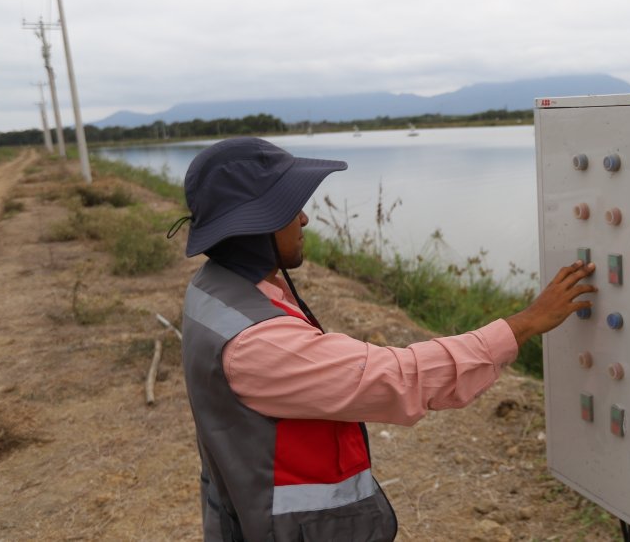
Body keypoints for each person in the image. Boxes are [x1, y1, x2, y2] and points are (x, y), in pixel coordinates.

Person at [174, 137, 596, 541]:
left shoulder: (214, 289)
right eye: (290, 208)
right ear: (257, 224)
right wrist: (526, 323)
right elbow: (402, 377)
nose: (304, 218)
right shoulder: (256, 343)